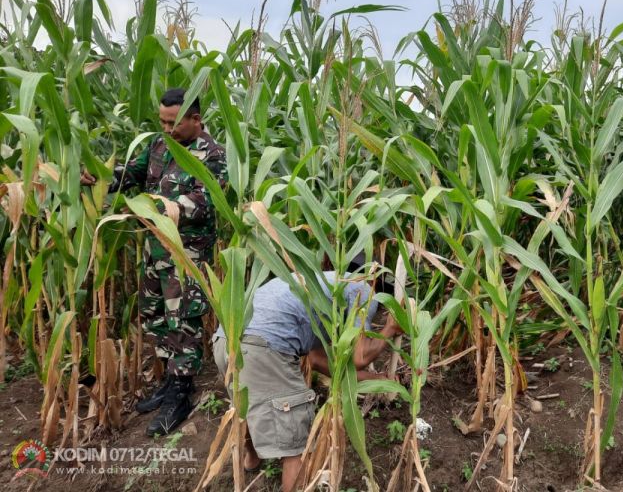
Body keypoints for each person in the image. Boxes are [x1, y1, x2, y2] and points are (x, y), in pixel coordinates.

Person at [81, 88, 226, 436]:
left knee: (183, 321)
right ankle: (167, 381)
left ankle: (182, 391)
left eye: (173, 123)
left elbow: (208, 201)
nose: (166, 128)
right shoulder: (158, 144)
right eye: (161, 121)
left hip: (186, 254)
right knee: (157, 315)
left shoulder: (213, 154)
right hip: (155, 250)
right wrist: (101, 177)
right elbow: (131, 172)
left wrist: (168, 207)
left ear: (195, 119)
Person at [212, 264, 401, 492]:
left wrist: (376, 378)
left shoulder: (321, 287)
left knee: (247, 407)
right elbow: (361, 355)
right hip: (265, 347)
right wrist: (390, 328)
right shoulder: (363, 290)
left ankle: (252, 460)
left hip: (226, 337)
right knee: (298, 444)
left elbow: (317, 360)